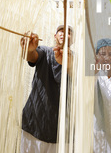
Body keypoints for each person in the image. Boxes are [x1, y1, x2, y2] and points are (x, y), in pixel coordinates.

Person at [20, 25, 73, 153]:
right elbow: (31, 56)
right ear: (55, 36)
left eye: (69, 33)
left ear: (74, 40)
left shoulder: (75, 60)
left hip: (60, 133)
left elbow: (80, 78)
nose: (64, 34)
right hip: (33, 124)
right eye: (61, 31)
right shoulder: (45, 51)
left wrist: (69, 66)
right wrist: (28, 49)